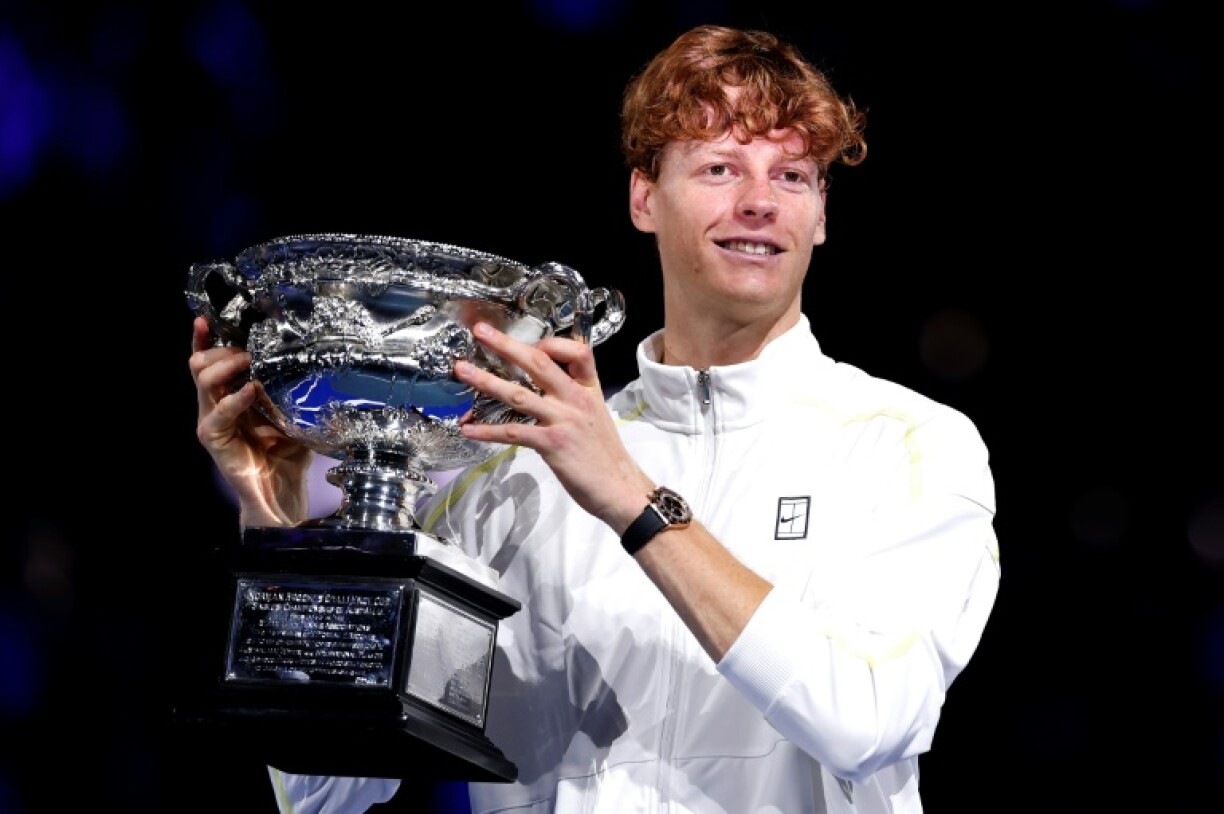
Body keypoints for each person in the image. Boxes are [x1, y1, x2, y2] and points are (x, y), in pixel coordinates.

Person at [189, 23, 1000, 814]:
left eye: (793, 177)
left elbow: (870, 720)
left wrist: (635, 504)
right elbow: (328, 787)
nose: (759, 202)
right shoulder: (508, 474)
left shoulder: (909, 445)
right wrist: (279, 519)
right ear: (645, 197)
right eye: (720, 168)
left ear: (822, 215)